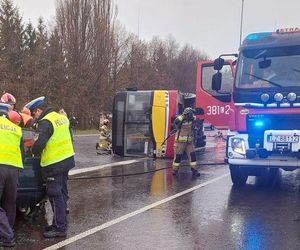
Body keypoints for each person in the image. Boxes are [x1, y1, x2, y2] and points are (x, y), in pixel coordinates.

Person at [27, 97, 75, 238]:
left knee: (55, 194)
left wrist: (32, 151)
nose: (34, 117)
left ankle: (59, 228)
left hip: (54, 164)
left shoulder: (45, 122)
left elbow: (39, 144)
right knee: (62, 193)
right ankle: (59, 223)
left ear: (38, 111)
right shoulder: (60, 118)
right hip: (66, 161)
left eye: (33, 114)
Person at [0, 103, 24, 247]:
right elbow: (22, 152)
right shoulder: (16, 128)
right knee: (9, 203)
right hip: (14, 168)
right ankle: (7, 235)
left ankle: (7, 235)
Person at [172, 107, 200, 177]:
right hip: (180, 142)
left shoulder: (192, 119)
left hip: (189, 143)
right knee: (178, 157)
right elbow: (175, 122)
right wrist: (183, 116)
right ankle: (175, 170)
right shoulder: (181, 119)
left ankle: (194, 170)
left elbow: (197, 123)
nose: (191, 115)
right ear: (186, 114)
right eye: (190, 114)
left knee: (193, 156)